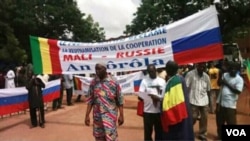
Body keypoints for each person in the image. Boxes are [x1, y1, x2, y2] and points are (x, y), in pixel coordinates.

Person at [84, 62, 124, 141]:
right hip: (97, 117)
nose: (97, 71)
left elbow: (120, 100)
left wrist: (121, 115)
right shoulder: (93, 82)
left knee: (111, 138)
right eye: (96, 69)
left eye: (99, 69)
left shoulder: (114, 82)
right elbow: (90, 100)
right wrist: (87, 115)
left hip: (110, 117)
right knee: (99, 138)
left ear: (105, 69)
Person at [161, 60, 194, 140]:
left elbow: (173, 103)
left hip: (178, 116)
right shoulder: (179, 79)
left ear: (168, 70)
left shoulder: (175, 82)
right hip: (185, 111)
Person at [215, 61, 244, 139]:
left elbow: (238, 91)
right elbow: (219, 84)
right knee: (220, 122)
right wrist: (221, 74)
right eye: (231, 69)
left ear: (237, 69)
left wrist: (226, 83)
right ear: (228, 69)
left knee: (231, 123)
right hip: (220, 103)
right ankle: (220, 136)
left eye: (235, 69)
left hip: (230, 105)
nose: (233, 70)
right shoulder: (225, 75)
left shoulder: (239, 79)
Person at [138, 64, 166, 141]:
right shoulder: (144, 81)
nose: (152, 73)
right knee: (147, 133)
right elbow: (140, 95)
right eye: (150, 72)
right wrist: (147, 97)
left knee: (159, 132)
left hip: (159, 111)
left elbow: (165, 96)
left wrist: (158, 98)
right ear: (148, 72)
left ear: (155, 70)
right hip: (147, 111)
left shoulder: (162, 81)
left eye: (153, 71)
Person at [185, 62, 211, 140]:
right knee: (193, 117)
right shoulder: (190, 74)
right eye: (201, 66)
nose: (202, 68)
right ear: (197, 66)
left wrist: (209, 103)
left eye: (204, 67)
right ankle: (188, 131)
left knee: (204, 118)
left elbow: (208, 90)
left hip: (204, 100)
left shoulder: (206, 77)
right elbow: (185, 87)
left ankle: (202, 133)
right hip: (193, 100)